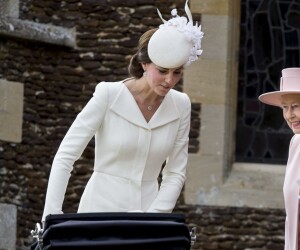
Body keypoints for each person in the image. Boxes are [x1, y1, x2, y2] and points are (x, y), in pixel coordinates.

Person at [41, 1, 204, 223]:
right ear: (145, 64)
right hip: (98, 214)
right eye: (163, 71)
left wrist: (154, 218)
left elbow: (175, 172)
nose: (169, 80)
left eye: (177, 73)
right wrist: (51, 219)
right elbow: (65, 157)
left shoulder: (181, 105)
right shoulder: (108, 94)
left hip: (148, 219)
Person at [259, 67, 300, 250]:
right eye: (285, 107)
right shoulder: (296, 144)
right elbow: (292, 213)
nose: (289, 115)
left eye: (295, 106)